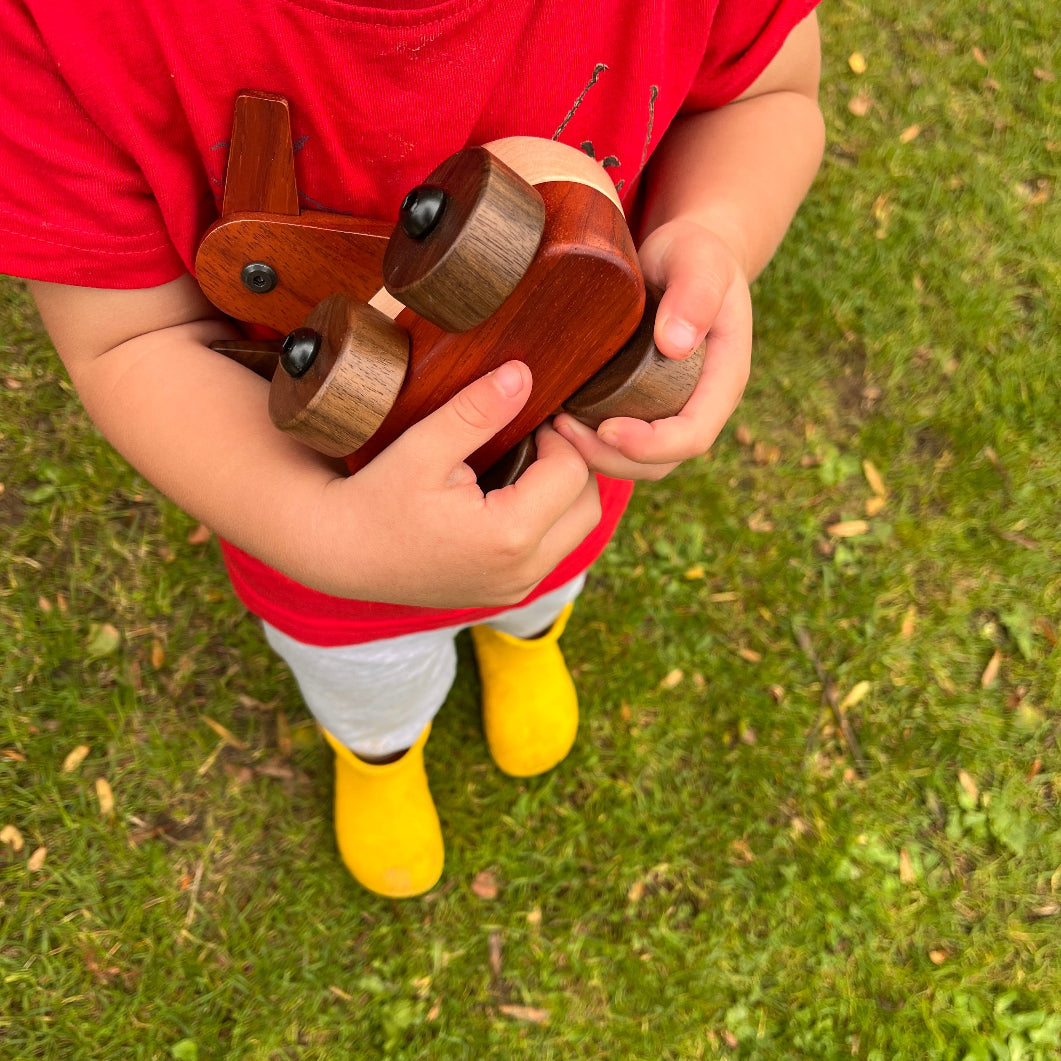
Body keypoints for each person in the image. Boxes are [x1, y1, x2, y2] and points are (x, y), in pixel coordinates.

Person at [1, 0, 826, 898]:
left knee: (545, 579)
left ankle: (526, 634)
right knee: (367, 679)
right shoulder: (61, 29)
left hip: (562, 475)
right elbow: (128, 340)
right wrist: (324, 531)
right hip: (313, 533)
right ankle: (382, 752)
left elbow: (764, 96)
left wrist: (715, 234)